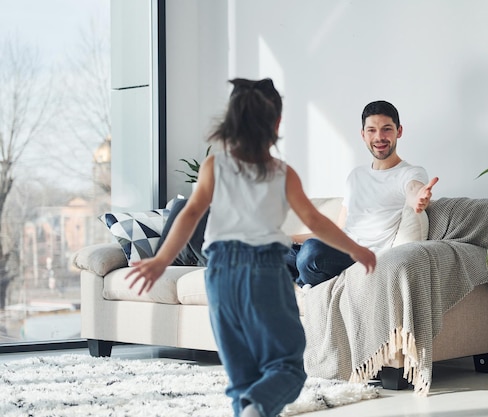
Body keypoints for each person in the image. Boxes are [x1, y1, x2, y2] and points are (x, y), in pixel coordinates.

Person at [125, 78, 376, 417]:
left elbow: (191, 213)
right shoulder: (281, 173)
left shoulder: (214, 166)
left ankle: (249, 407)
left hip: (220, 273)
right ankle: (256, 406)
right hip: (265, 273)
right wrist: (357, 250)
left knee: (241, 376)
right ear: (277, 123)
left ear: (232, 121)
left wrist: (161, 259)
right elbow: (317, 222)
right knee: (287, 367)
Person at [286, 100, 438, 288]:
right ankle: (305, 279)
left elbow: (414, 189)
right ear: (363, 134)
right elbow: (339, 230)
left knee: (310, 253)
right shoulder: (356, 175)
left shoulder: (410, 173)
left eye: (387, 129)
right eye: (372, 130)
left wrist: (419, 198)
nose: (379, 137)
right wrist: (289, 238)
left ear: (399, 131)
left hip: (365, 259)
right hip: (339, 251)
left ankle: (304, 279)